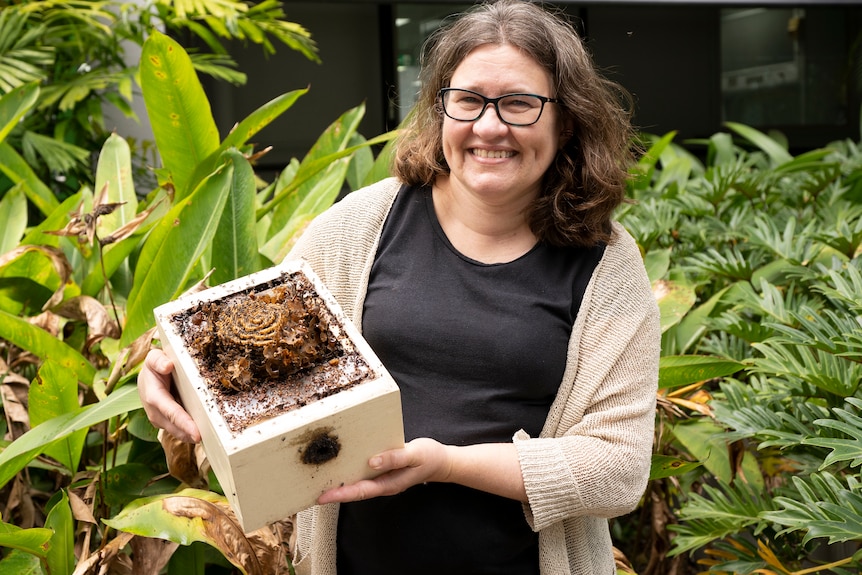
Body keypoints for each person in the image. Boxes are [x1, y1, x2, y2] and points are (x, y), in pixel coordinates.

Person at [138, 0, 660, 573]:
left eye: (519, 103)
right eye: (467, 101)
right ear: (441, 111)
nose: (489, 126)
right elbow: (259, 337)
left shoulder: (607, 264)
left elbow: (618, 470)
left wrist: (448, 464)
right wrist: (172, 371)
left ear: (566, 120)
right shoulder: (360, 225)